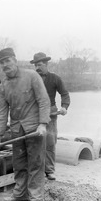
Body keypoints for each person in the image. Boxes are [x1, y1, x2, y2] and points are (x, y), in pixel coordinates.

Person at [0, 47, 51, 201]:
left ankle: (36, 199)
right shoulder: (3, 86)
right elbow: (2, 112)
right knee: (19, 164)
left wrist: (43, 124)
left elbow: (44, 101)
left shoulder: (32, 76)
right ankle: (20, 194)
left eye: (7, 61)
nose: (5, 65)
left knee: (36, 163)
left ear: (15, 60)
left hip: (34, 129)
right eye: (2, 62)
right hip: (16, 131)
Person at [30, 52, 71, 181]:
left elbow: (64, 93)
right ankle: (37, 170)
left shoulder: (55, 78)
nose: (37, 67)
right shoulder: (31, 79)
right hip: (34, 113)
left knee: (50, 141)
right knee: (35, 142)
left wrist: (64, 106)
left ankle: (49, 170)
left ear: (46, 64)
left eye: (40, 65)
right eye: (36, 65)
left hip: (51, 113)